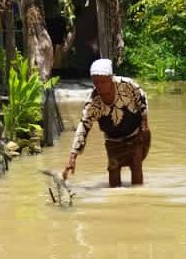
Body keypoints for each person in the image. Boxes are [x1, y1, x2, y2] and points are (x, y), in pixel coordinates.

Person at [63, 59, 150, 187]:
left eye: (103, 82)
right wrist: (72, 157)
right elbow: (83, 127)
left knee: (136, 165)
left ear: (111, 79)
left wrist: (145, 123)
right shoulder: (93, 103)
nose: (99, 86)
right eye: (95, 82)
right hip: (113, 140)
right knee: (113, 170)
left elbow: (142, 98)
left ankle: (138, 196)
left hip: (134, 134)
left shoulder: (127, 85)